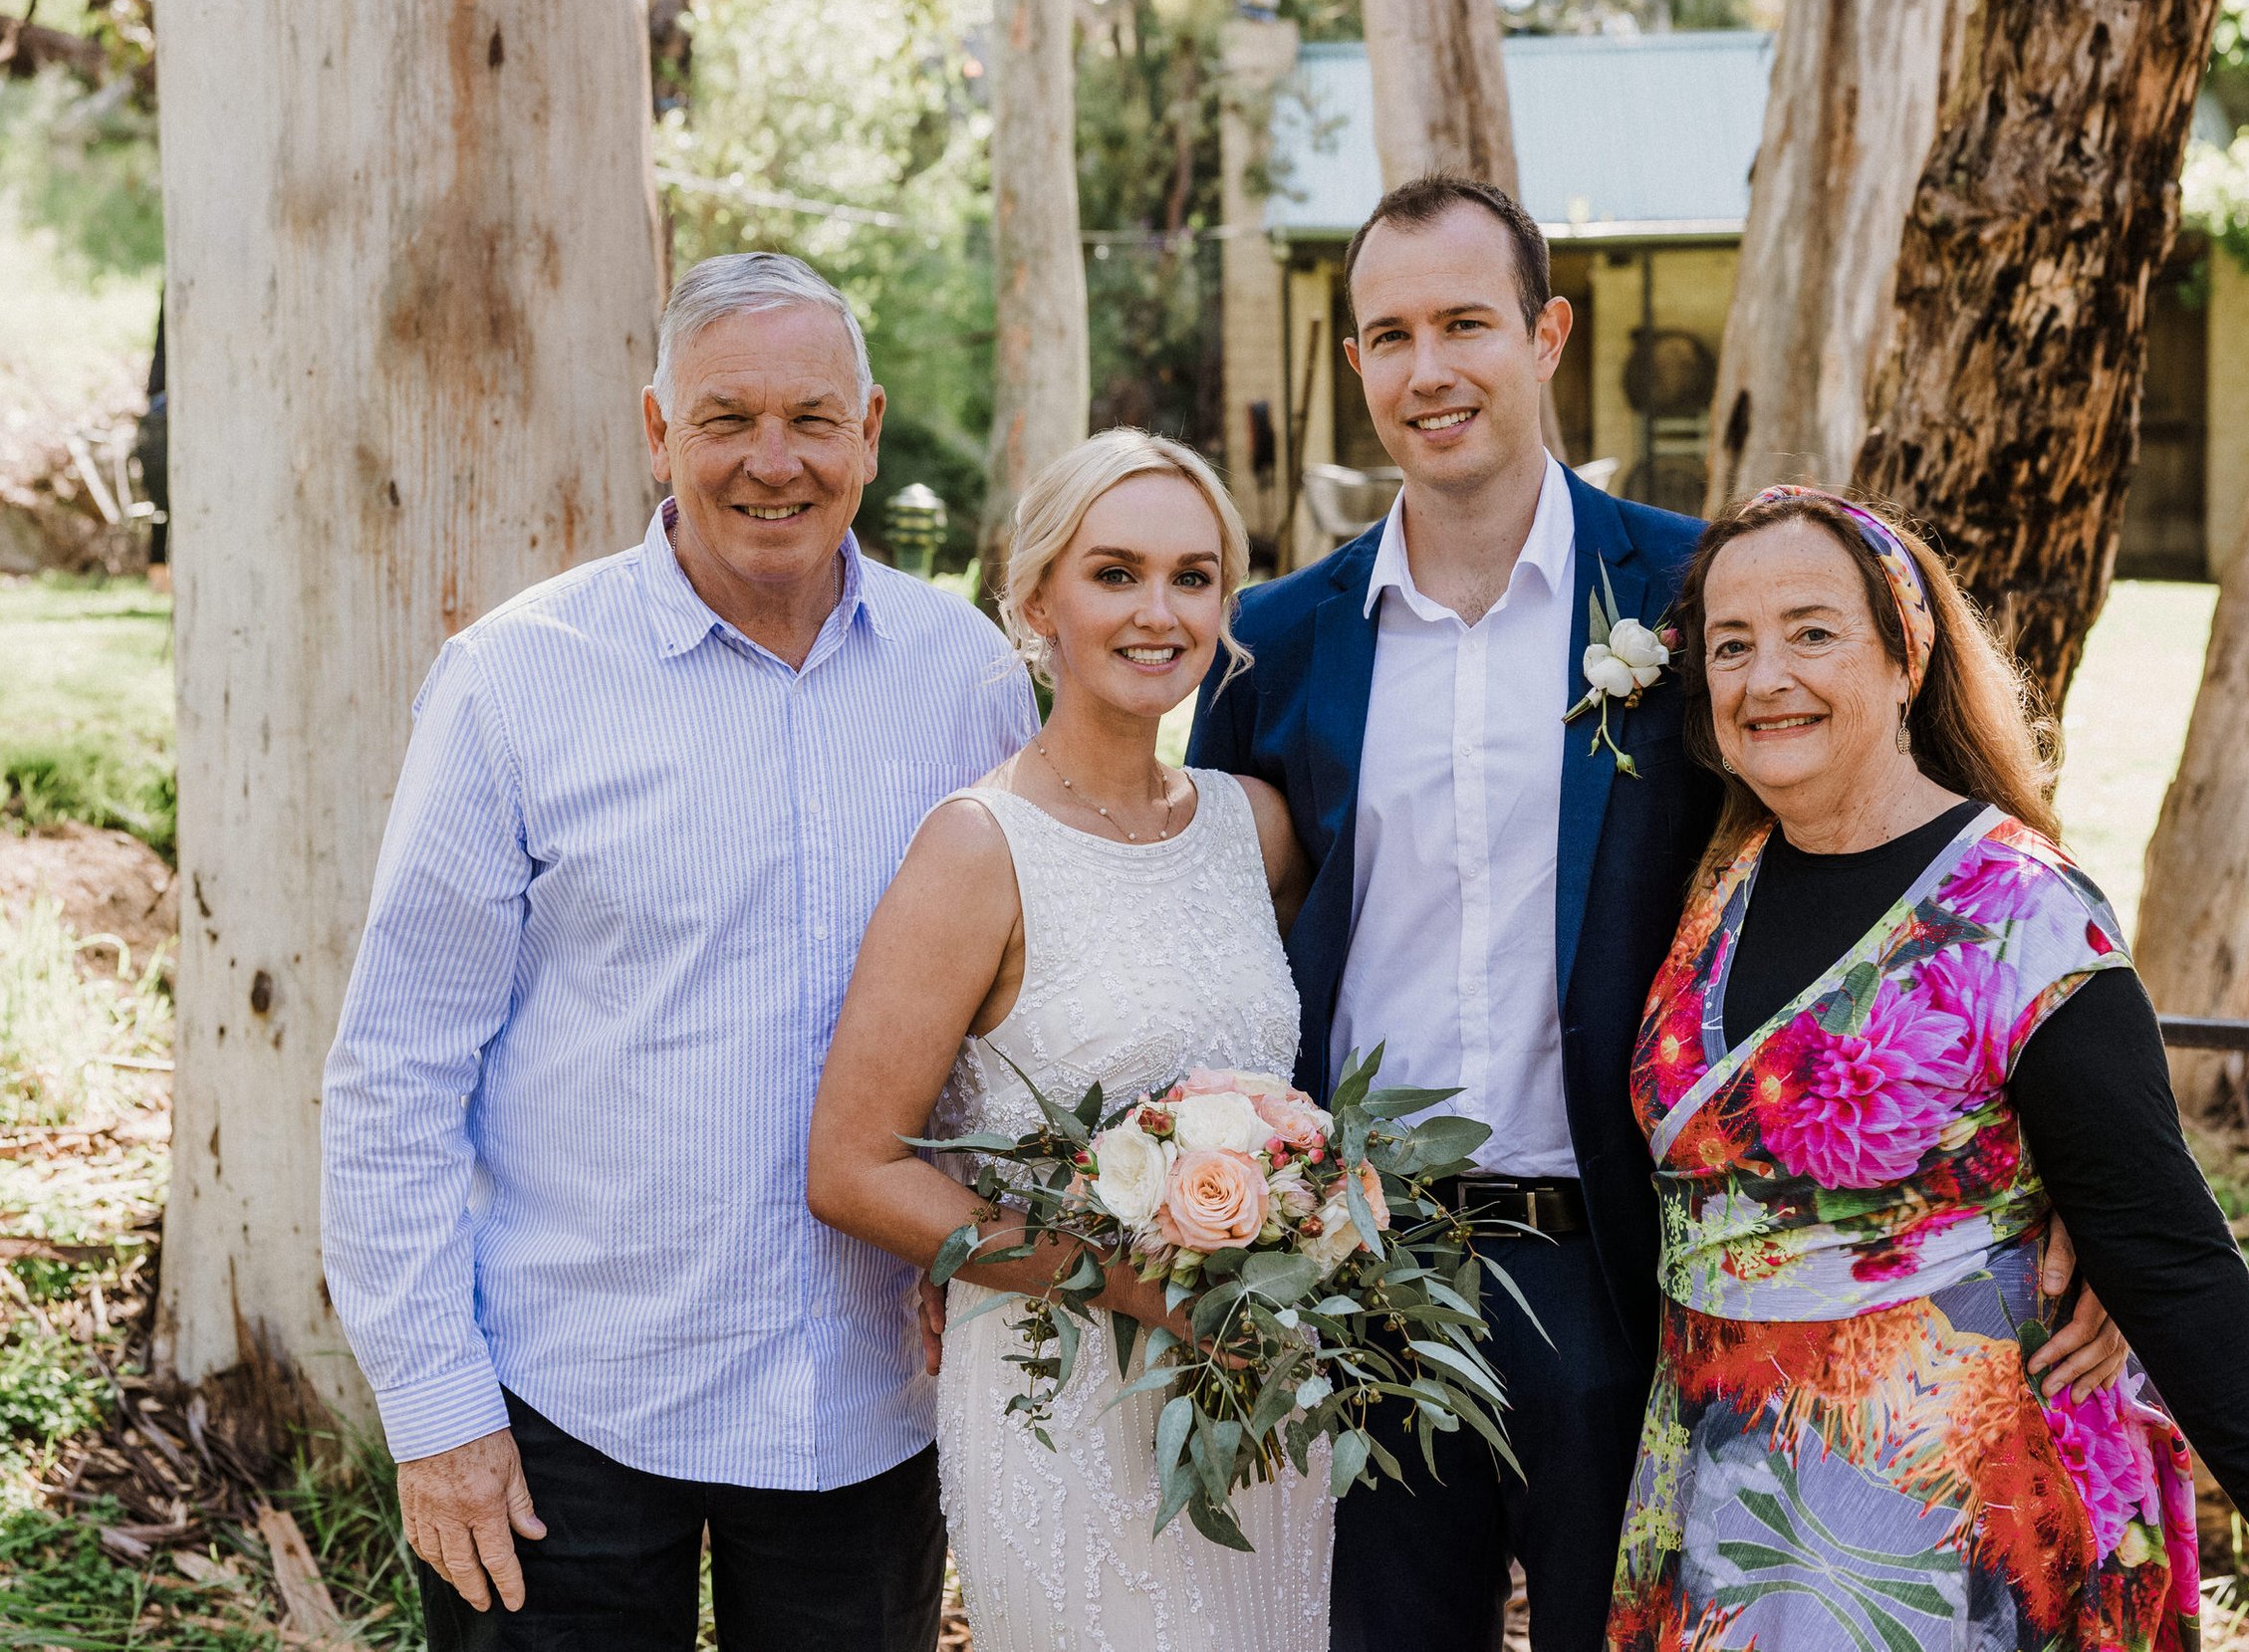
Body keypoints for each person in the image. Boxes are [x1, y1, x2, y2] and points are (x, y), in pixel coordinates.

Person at [1188, 177, 2129, 1652]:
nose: (1427, 370)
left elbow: (1900, 857)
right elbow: (1206, 941)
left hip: (1626, 1262)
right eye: (1388, 336)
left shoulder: (1696, 595)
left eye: (1465, 323)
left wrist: (2081, 1164)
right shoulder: (1279, 640)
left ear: (1548, 332)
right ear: (1358, 360)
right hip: (1361, 1270)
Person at [321, 252, 1036, 1650]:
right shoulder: (514, 681)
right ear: (658, 430)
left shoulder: (969, 680)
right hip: (565, 1402)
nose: (773, 461)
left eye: (812, 419)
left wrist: (985, 1258)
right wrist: (437, 1412)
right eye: (725, 419)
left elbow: (1005, 1026)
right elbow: (395, 1069)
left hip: (863, 1404)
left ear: (870, 429)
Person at [1602, 486, 2249, 1652]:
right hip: (1721, 1501)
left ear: (1906, 654)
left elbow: (2160, 1234)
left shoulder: (2017, 909)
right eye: (1732, 646)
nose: (1767, 678)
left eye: (1813, 631)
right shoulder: (1723, 884)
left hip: (1957, 1517)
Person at [807, 428, 1328, 1652]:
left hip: (1255, 1390)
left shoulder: (1251, 830)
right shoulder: (977, 847)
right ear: (1037, 595)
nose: (1159, 611)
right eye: (1116, 573)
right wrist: (1127, 1278)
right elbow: (852, 1164)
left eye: (1193, 576)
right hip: (1061, 1389)